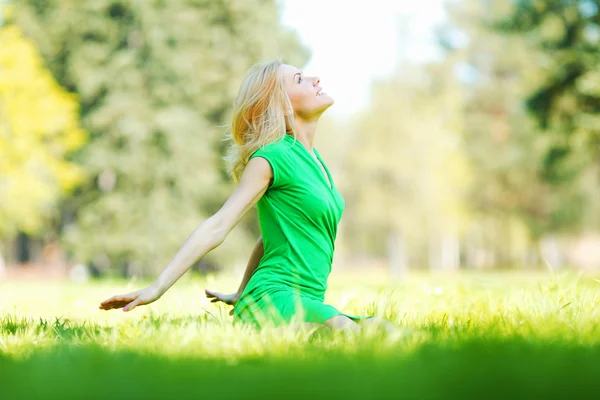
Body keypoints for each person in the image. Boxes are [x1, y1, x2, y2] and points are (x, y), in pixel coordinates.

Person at [99, 60, 397, 334]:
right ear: (281, 104)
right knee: (344, 331)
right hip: (272, 297)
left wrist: (240, 290)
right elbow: (218, 225)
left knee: (385, 329)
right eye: (300, 79)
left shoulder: (315, 161)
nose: (315, 79)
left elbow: (270, 238)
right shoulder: (271, 157)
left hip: (307, 298)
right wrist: (157, 287)